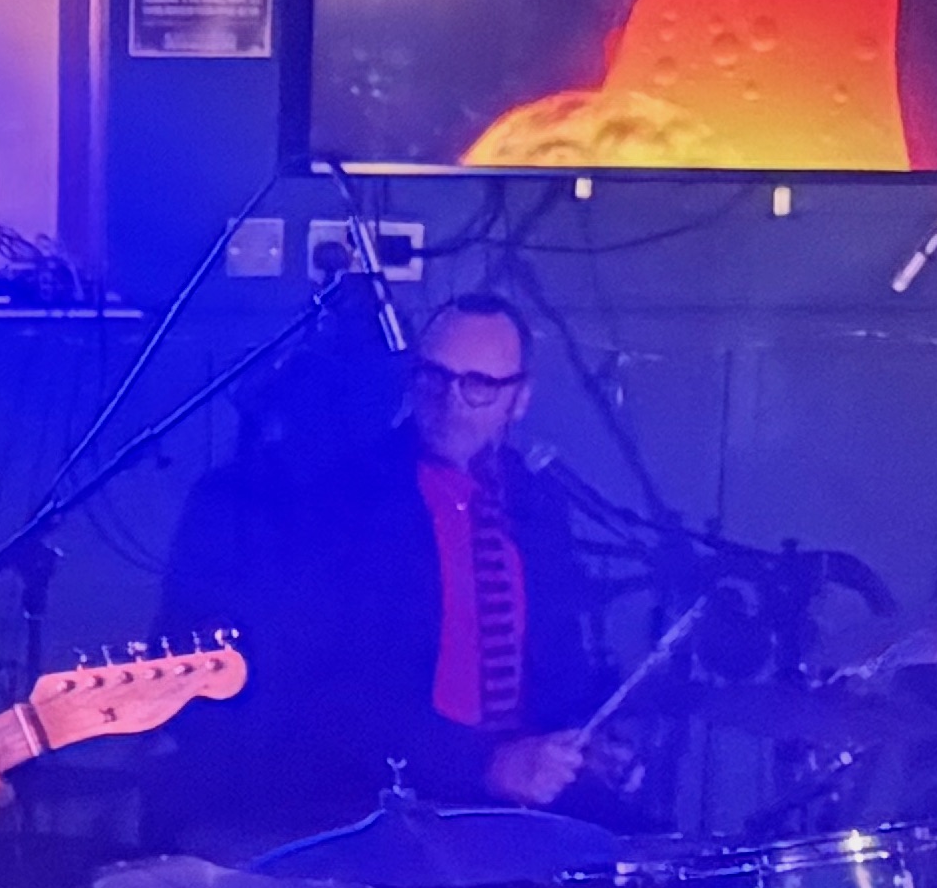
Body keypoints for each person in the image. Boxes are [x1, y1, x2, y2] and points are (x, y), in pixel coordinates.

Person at [161, 289, 622, 848]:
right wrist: (485, 763)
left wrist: (585, 742)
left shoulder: (535, 501)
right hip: (389, 801)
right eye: (435, 378)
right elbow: (329, 689)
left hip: (514, 810)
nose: (451, 402)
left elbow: (556, 658)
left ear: (519, 398)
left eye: (478, 386)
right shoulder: (352, 497)